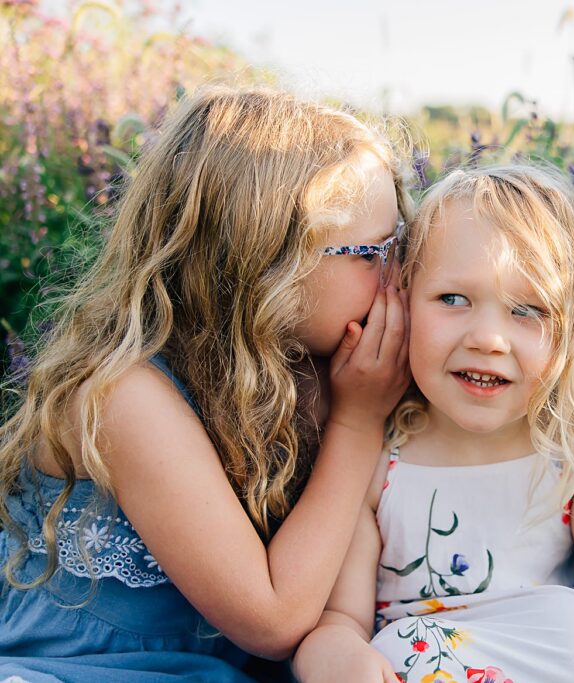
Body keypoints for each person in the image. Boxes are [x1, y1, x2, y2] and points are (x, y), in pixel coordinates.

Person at [0, 85, 410, 682]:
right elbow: (272, 621)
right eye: (373, 251)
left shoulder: (299, 367)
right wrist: (357, 422)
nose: (395, 275)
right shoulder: (124, 397)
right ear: (266, 260)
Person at [292, 164, 574, 683]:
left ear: (571, 329)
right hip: (424, 669)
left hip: (547, 666)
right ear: (402, 298)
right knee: (397, 647)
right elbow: (341, 618)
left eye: (529, 311)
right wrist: (337, 656)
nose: (488, 339)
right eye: (453, 299)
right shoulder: (382, 458)